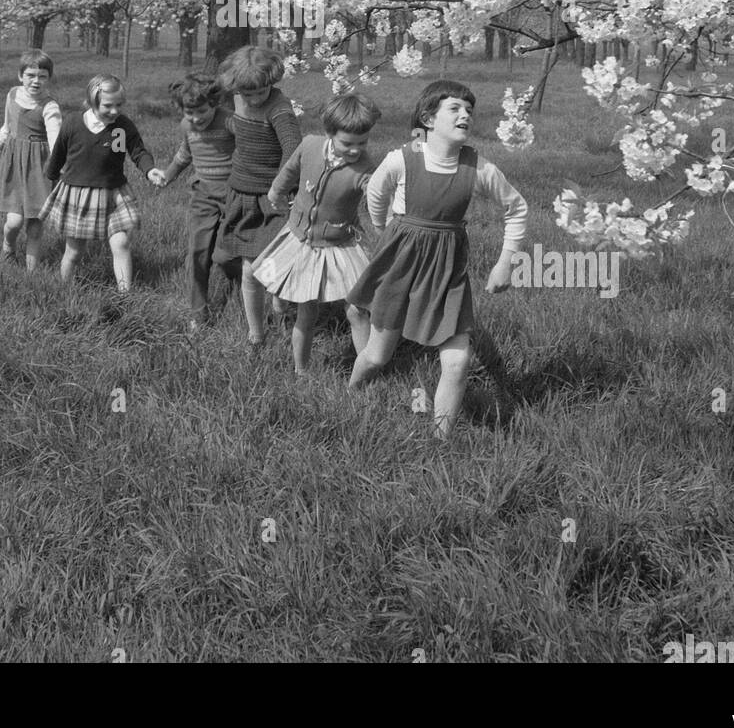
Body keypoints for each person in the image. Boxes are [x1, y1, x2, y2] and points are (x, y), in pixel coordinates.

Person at [347, 80, 528, 439]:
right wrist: (385, 233)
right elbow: (376, 196)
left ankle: (440, 440)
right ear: (428, 119)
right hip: (400, 264)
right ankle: (351, 395)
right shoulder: (401, 159)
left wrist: (506, 261)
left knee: (458, 361)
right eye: (455, 108)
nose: (465, 115)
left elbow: (517, 208)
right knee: (377, 357)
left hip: (447, 271)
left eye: (469, 110)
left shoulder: (479, 169)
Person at [253, 91, 381, 374]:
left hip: (341, 243)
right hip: (300, 237)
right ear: (329, 133)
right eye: (348, 143)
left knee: (357, 309)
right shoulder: (310, 145)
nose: (355, 150)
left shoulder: (365, 167)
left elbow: (377, 196)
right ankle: (301, 370)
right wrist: (276, 190)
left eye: (362, 142)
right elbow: (290, 170)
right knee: (305, 308)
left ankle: (368, 370)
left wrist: (386, 213)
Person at [41, 73, 159, 301]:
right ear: (92, 100)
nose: (114, 111)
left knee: (121, 242)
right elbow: (58, 154)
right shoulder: (73, 123)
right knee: (74, 251)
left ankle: (126, 296)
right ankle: (62, 291)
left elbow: (137, 151)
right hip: (79, 194)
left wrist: (149, 169)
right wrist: (51, 175)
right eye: (108, 105)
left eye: (119, 105)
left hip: (113, 193)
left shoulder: (122, 126)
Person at [215, 45, 302, 351]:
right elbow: (236, 127)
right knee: (250, 269)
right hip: (241, 194)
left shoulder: (279, 110)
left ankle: (280, 309)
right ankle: (256, 335)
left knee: (270, 265)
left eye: (259, 93)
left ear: (272, 82)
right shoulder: (237, 97)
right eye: (245, 93)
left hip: (272, 199)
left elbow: (293, 151)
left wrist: (279, 189)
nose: (251, 99)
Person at [156, 73, 237, 333]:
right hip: (202, 195)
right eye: (189, 112)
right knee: (197, 254)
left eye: (201, 111)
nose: (196, 118)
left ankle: (237, 287)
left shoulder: (230, 122)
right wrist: (167, 176)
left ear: (214, 103)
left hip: (234, 196)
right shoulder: (187, 126)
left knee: (226, 257)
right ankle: (198, 314)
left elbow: (248, 151)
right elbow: (184, 155)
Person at [0, 50, 62, 270]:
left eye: (42, 76)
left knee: (35, 227)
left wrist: (60, 166)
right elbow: (7, 128)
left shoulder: (49, 107)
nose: (36, 81)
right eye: (30, 75)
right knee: (14, 222)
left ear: (49, 78)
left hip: (39, 169)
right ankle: (8, 248)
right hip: (14, 166)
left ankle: (32, 274)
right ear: (20, 76)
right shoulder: (11, 95)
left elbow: (56, 140)